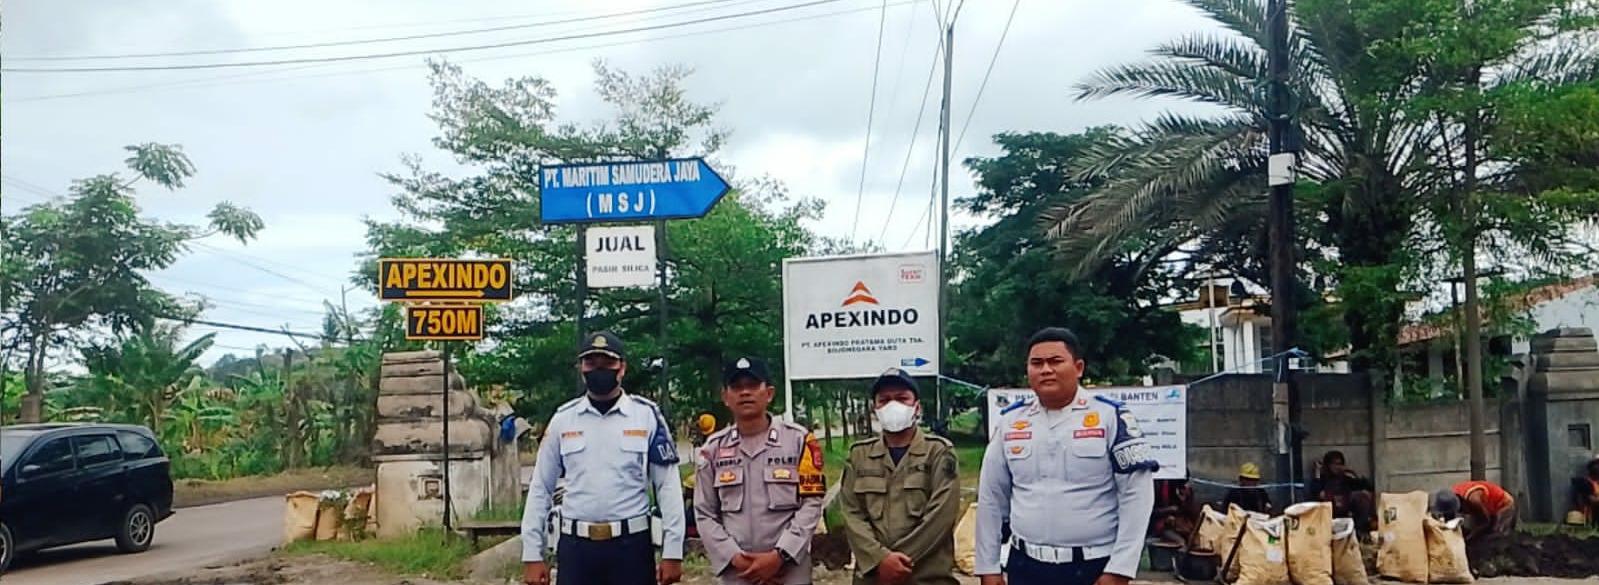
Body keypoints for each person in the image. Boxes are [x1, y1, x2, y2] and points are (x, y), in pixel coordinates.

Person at [975, 327, 1157, 585]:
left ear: (1078, 367)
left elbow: (1137, 496)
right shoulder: (1010, 422)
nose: (1046, 370)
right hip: (1024, 566)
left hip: (1092, 567)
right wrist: (988, 567)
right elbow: (991, 497)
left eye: (1055, 361)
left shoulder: (1110, 417)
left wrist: (1120, 569)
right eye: (1037, 363)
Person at [520, 331, 685, 585]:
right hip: (577, 550)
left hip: (631, 548)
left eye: (607, 363)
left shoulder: (646, 416)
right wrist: (532, 553)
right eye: (591, 363)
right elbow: (541, 487)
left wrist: (673, 550)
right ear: (581, 369)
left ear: (622, 368)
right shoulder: (563, 419)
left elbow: (668, 486)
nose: (599, 370)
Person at [694, 357, 827, 585]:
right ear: (725, 396)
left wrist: (780, 555)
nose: (745, 392)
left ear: (769, 393)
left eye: (753, 385)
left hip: (788, 574)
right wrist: (735, 557)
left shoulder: (799, 441)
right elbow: (705, 513)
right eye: (737, 387)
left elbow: (812, 503)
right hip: (739, 574)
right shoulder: (712, 450)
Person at [840, 368, 962, 585]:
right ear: (875, 409)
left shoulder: (939, 452)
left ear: (917, 407)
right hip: (873, 578)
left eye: (901, 398)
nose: (892, 405)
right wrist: (879, 560)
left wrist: (895, 563)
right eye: (884, 400)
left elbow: (941, 517)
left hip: (927, 577)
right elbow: (852, 514)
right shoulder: (859, 455)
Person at [1309, 450, 1376, 535]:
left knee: (1362, 497)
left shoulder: (1345, 478)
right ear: (1328, 465)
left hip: (1345, 511)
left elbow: (1365, 486)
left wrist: (1352, 473)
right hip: (1329, 513)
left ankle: (1361, 531)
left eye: (1340, 464)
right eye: (1334, 464)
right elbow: (1317, 493)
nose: (1337, 467)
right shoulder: (1322, 478)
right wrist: (1317, 472)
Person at [1447, 480, 1517, 541]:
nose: (1464, 513)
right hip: (1488, 505)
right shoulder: (1453, 493)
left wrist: (1471, 537)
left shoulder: (1475, 500)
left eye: (1463, 511)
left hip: (1504, 504)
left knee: (1497, 531)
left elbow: (1486, 521)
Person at [1149, 478, 1198, 546]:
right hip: (1161, 524)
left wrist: (1186, 500)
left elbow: (1190, 512)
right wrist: (1168, 510)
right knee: (1181, 542)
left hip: (1179, 524)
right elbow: (1151, 512)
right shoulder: (1157, 485)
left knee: (1195, 540)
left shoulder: (1182, 489)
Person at [1567, 456, 1599, 526]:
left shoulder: (1597, 483)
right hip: (1591, 514)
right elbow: (1591, 500)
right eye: (1597, 464)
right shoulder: (1586, 483)